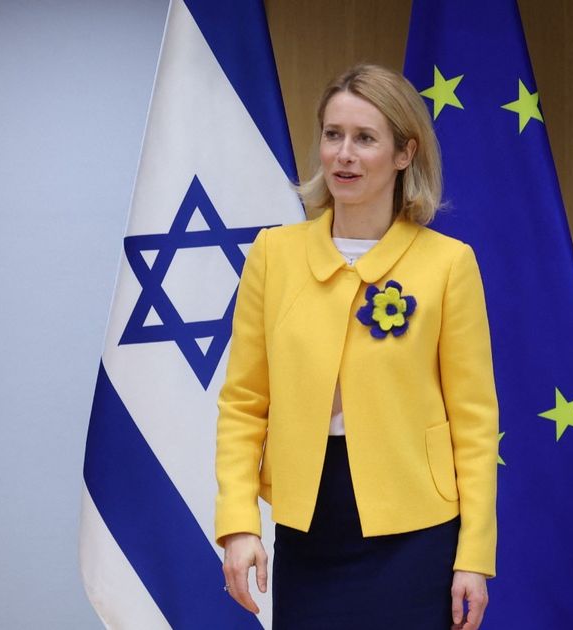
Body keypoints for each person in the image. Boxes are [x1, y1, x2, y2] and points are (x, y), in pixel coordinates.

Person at [214, 64, 498, 629]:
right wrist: (239, 524)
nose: (344, 154)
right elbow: (243, 403)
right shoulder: (273, 255)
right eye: (333, 135)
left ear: (404, 153)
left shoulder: (449, 264)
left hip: (417, 533)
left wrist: (473, 556)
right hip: (308, 528)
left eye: (365, 138)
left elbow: (474, 422)